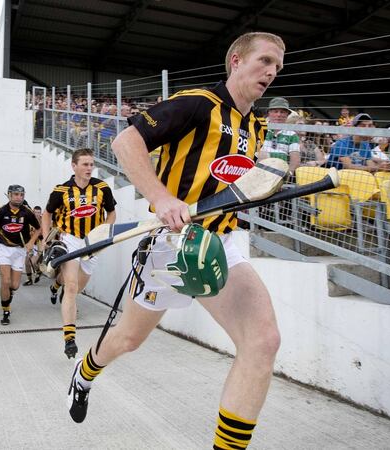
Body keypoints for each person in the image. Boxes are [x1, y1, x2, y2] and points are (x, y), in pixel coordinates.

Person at [65, 32, 283, 450]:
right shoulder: (198, 103)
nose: (271, 72)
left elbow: (227, 179)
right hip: (169, 246)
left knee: (263, 341)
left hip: (219, 243)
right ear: (236, 60)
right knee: (128, 340)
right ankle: (86, 372)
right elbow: (125, 141)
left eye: (277, 66)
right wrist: (162, 198)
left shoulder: (255, 126)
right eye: (265, 60)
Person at [41, 148, 116, 359]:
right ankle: (69, 339)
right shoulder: (61, 190)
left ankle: (57, 285)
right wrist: (47, 238)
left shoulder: (102, 188)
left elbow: (111, 213)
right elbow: (47, 214)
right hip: (70, 239)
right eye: (85, 164)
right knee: (72, 287)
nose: (89, 168)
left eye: (91, 164)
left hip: (93, 242)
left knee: (75, 289)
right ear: (74, 166)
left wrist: (105, 232)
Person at [0, 185, 40, 325]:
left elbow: (38, 229)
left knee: (15, 285)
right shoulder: (1, 211)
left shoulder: (27, 212)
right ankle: (6, 311)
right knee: (5, 281)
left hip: (19, 251)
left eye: (21, 194)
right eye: (16, 194)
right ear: (9, 195)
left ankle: (9, 293)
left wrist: (31, 242)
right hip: (3, 248)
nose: (19, 197)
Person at [260, 97, 300, 175]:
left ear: (287, 114)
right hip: (259, 171)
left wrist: (288, 175)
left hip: (280, 174)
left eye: (282, 112)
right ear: (269, 113)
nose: (278, 115)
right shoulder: (259, 128)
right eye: (275, 111)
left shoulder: (292, 134)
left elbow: (295, 159)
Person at [23, 206, 44, 286]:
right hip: (31, 243)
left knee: (33, 262)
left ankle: (38, 271)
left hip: (40, 244)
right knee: (27, 263)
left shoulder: (43, 221)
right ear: (33, 212)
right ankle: (29, 280)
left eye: (38, 212)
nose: (37, 214)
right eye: (35, 212)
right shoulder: (29, 220)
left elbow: (46, 234)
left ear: (40, 213)